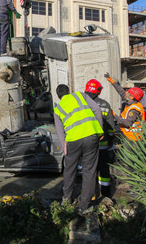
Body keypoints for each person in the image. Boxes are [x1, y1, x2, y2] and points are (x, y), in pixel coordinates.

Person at [53, 84, 104, 213]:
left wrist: (64, 146)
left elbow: (60, 131)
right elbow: (97, 109)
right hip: (91, 135)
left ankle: (66, 200)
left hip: (73, 140)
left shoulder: (58, 108)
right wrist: (100, 130)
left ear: (58, 96)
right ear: (69, 91)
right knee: (89, 170)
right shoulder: (80, 95)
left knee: (70, 170)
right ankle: (84, 206)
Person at [84, 79, 116, 198]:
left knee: (89, 170)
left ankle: (91, 195)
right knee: (103, 169)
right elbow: (111, 126)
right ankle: (106, 194)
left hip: (86, 143)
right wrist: (111, 139)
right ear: (98, 90)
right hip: (102, 144)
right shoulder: (104, 104)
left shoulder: (81, 103)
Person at [104, 73, 145, 142]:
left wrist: (114, 115)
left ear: (131, 97)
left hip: (132, 138)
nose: (125, 92)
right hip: (130, 135)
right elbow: (121, 92)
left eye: (127, 92)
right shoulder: (133, 102)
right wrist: (112, 82)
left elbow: (127, 123)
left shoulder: (134, 109)